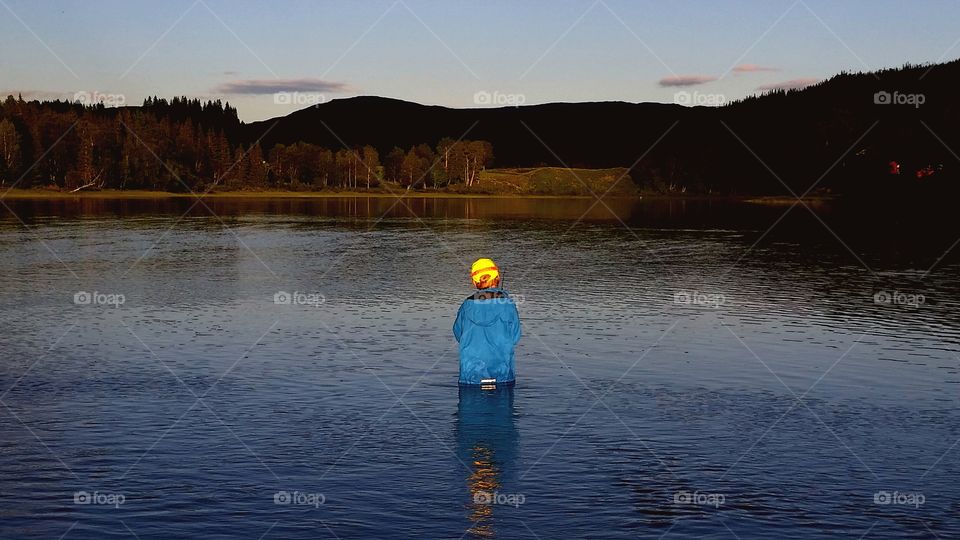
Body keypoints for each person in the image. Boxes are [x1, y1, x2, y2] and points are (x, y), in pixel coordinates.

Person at [453, 258, 522, 386]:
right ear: (497, 279)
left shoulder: (466, 305)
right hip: (503, 375)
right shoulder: (508, 304)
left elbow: (458, 334)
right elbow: (516, 337)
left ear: (474, 282)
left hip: (471, 376)